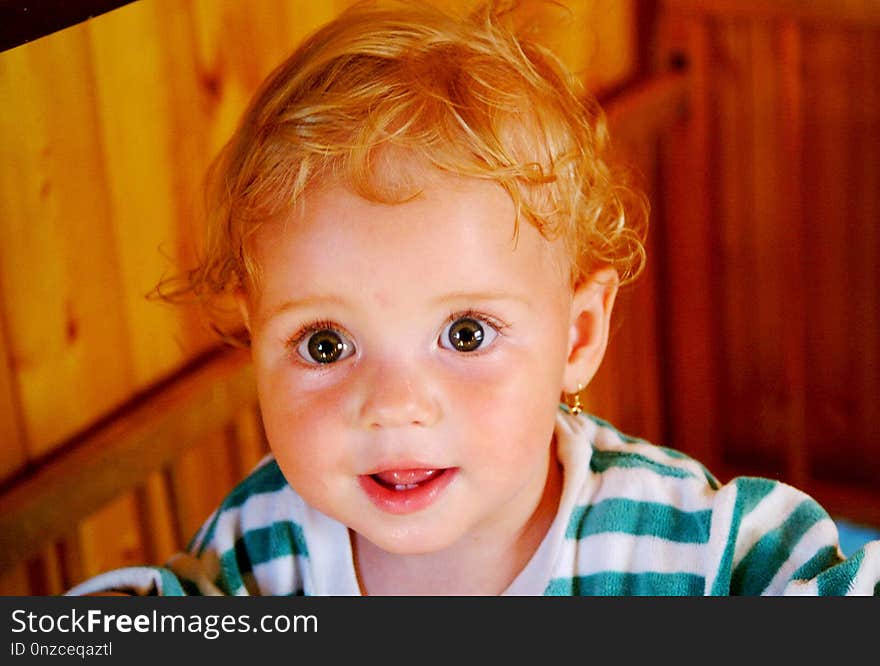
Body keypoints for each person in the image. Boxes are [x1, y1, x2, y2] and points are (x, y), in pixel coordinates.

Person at [69, 0, 879, 596]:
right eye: (325, 344)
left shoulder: (687, 546)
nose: (393, 407)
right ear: (254, 341)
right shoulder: (259, 547)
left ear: (578, 335)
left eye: (463, 333)